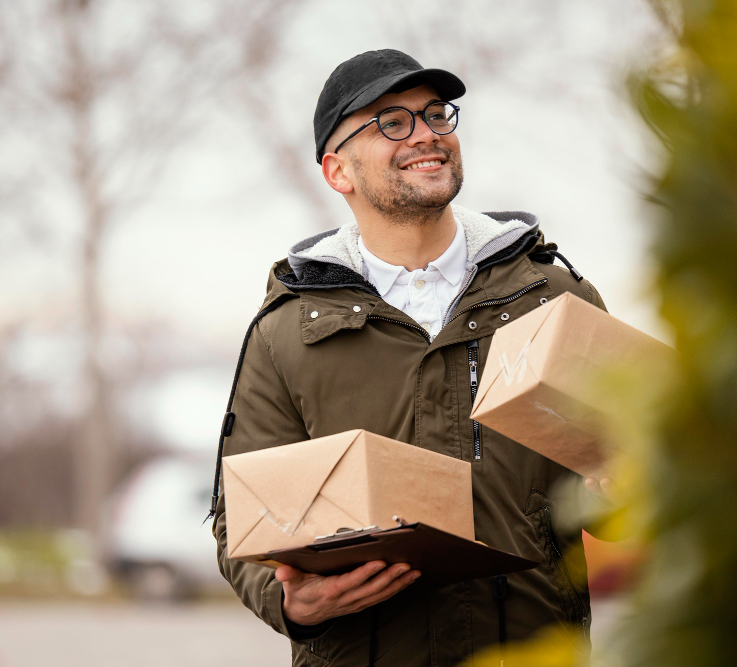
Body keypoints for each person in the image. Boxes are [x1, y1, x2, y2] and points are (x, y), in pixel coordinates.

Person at [210, 49, 612, 666]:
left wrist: (625, 491)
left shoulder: (555, 299)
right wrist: (293, 606)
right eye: (391, 121)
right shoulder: (284, 333)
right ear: (337, 171)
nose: (426, 133)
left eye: (435, 115)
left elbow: (631, 484)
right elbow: (241, 517)